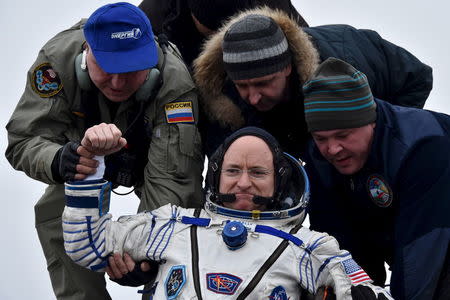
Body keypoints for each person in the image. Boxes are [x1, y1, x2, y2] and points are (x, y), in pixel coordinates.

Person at [5, 2, 203, 299]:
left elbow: (173, 184)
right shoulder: (56, 62)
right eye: (108, 69)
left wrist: (145, 256)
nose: (118, 82)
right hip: (81, 161)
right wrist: (59, 159)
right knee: (55, 213)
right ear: (86, 55)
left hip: (152, 158)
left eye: (131, 71)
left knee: (175, 231)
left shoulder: (174, 84)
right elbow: (24, 138)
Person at [62, 126, 393, 300]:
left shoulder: (306, 246)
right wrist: (89, 172)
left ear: (278, 182)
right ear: (216, 177)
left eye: (258, 173)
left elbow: (355, 282)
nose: (244, 183)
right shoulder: (173, 224)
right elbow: (87, 244)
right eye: (233, 171)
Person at [193, 7, 433, 158]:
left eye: (263, 83)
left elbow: (418, 77)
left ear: (287, 67)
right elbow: (222, 162)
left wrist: (380, 139)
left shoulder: (345, 62)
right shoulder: (222, 96)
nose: (253, 97)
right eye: (242, 86)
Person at [302, 57, 450, 299]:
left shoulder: (423, 147)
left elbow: (422, 251)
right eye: (321, 138)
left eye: (343, 135)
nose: (332, 149)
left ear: (370, 121)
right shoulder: (320, 159)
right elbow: (336, 247)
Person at [137, 0, 308, 68]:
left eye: (225, 33)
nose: (219, 46)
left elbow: (306, 49)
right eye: (211, 35)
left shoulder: (273, 8)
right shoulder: (152, 17)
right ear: (193, 15)